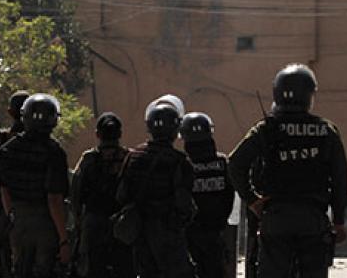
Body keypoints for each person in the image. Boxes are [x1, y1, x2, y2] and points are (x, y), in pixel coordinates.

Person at [228, 64, 347, 278]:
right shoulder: (326, 131)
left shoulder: (266, 129)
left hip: (276, 219)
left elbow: (235, 163)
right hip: (313, 219)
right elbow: (341, 179)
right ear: (309, 96)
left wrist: (252, 199)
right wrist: (339, 220)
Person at [117, 102, 196, 278]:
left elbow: (122, 195)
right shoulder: (179, 162)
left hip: (140, 232)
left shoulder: (133, 156)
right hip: (168, 234)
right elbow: (184, 204)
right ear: (175, 130)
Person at [0, 94, 70, 278]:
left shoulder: (7, 149)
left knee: (21, 270)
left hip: (18, 222)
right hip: (46, 222)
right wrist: (64, 239)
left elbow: (3, 188)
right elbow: (54, 199)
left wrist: (13, 216)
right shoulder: (54, 152)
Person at [70, 113, 133, 278]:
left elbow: (75, 192)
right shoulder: (128, 158)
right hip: (122, 222)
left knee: (93, 268)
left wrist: (78, 221)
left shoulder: (88, 159)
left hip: (94, 223)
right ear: (120, 134)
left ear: (98, 134)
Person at [179, 112, 236, 278]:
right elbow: (229, 195)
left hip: (188, 233)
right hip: (215, 232)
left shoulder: (182, 164)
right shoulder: (222, 162)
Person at [0, 91, 31, 278]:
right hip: (39, 216)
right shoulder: (44, 142)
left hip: (6, 214)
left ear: (10, 112)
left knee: (7, 266)